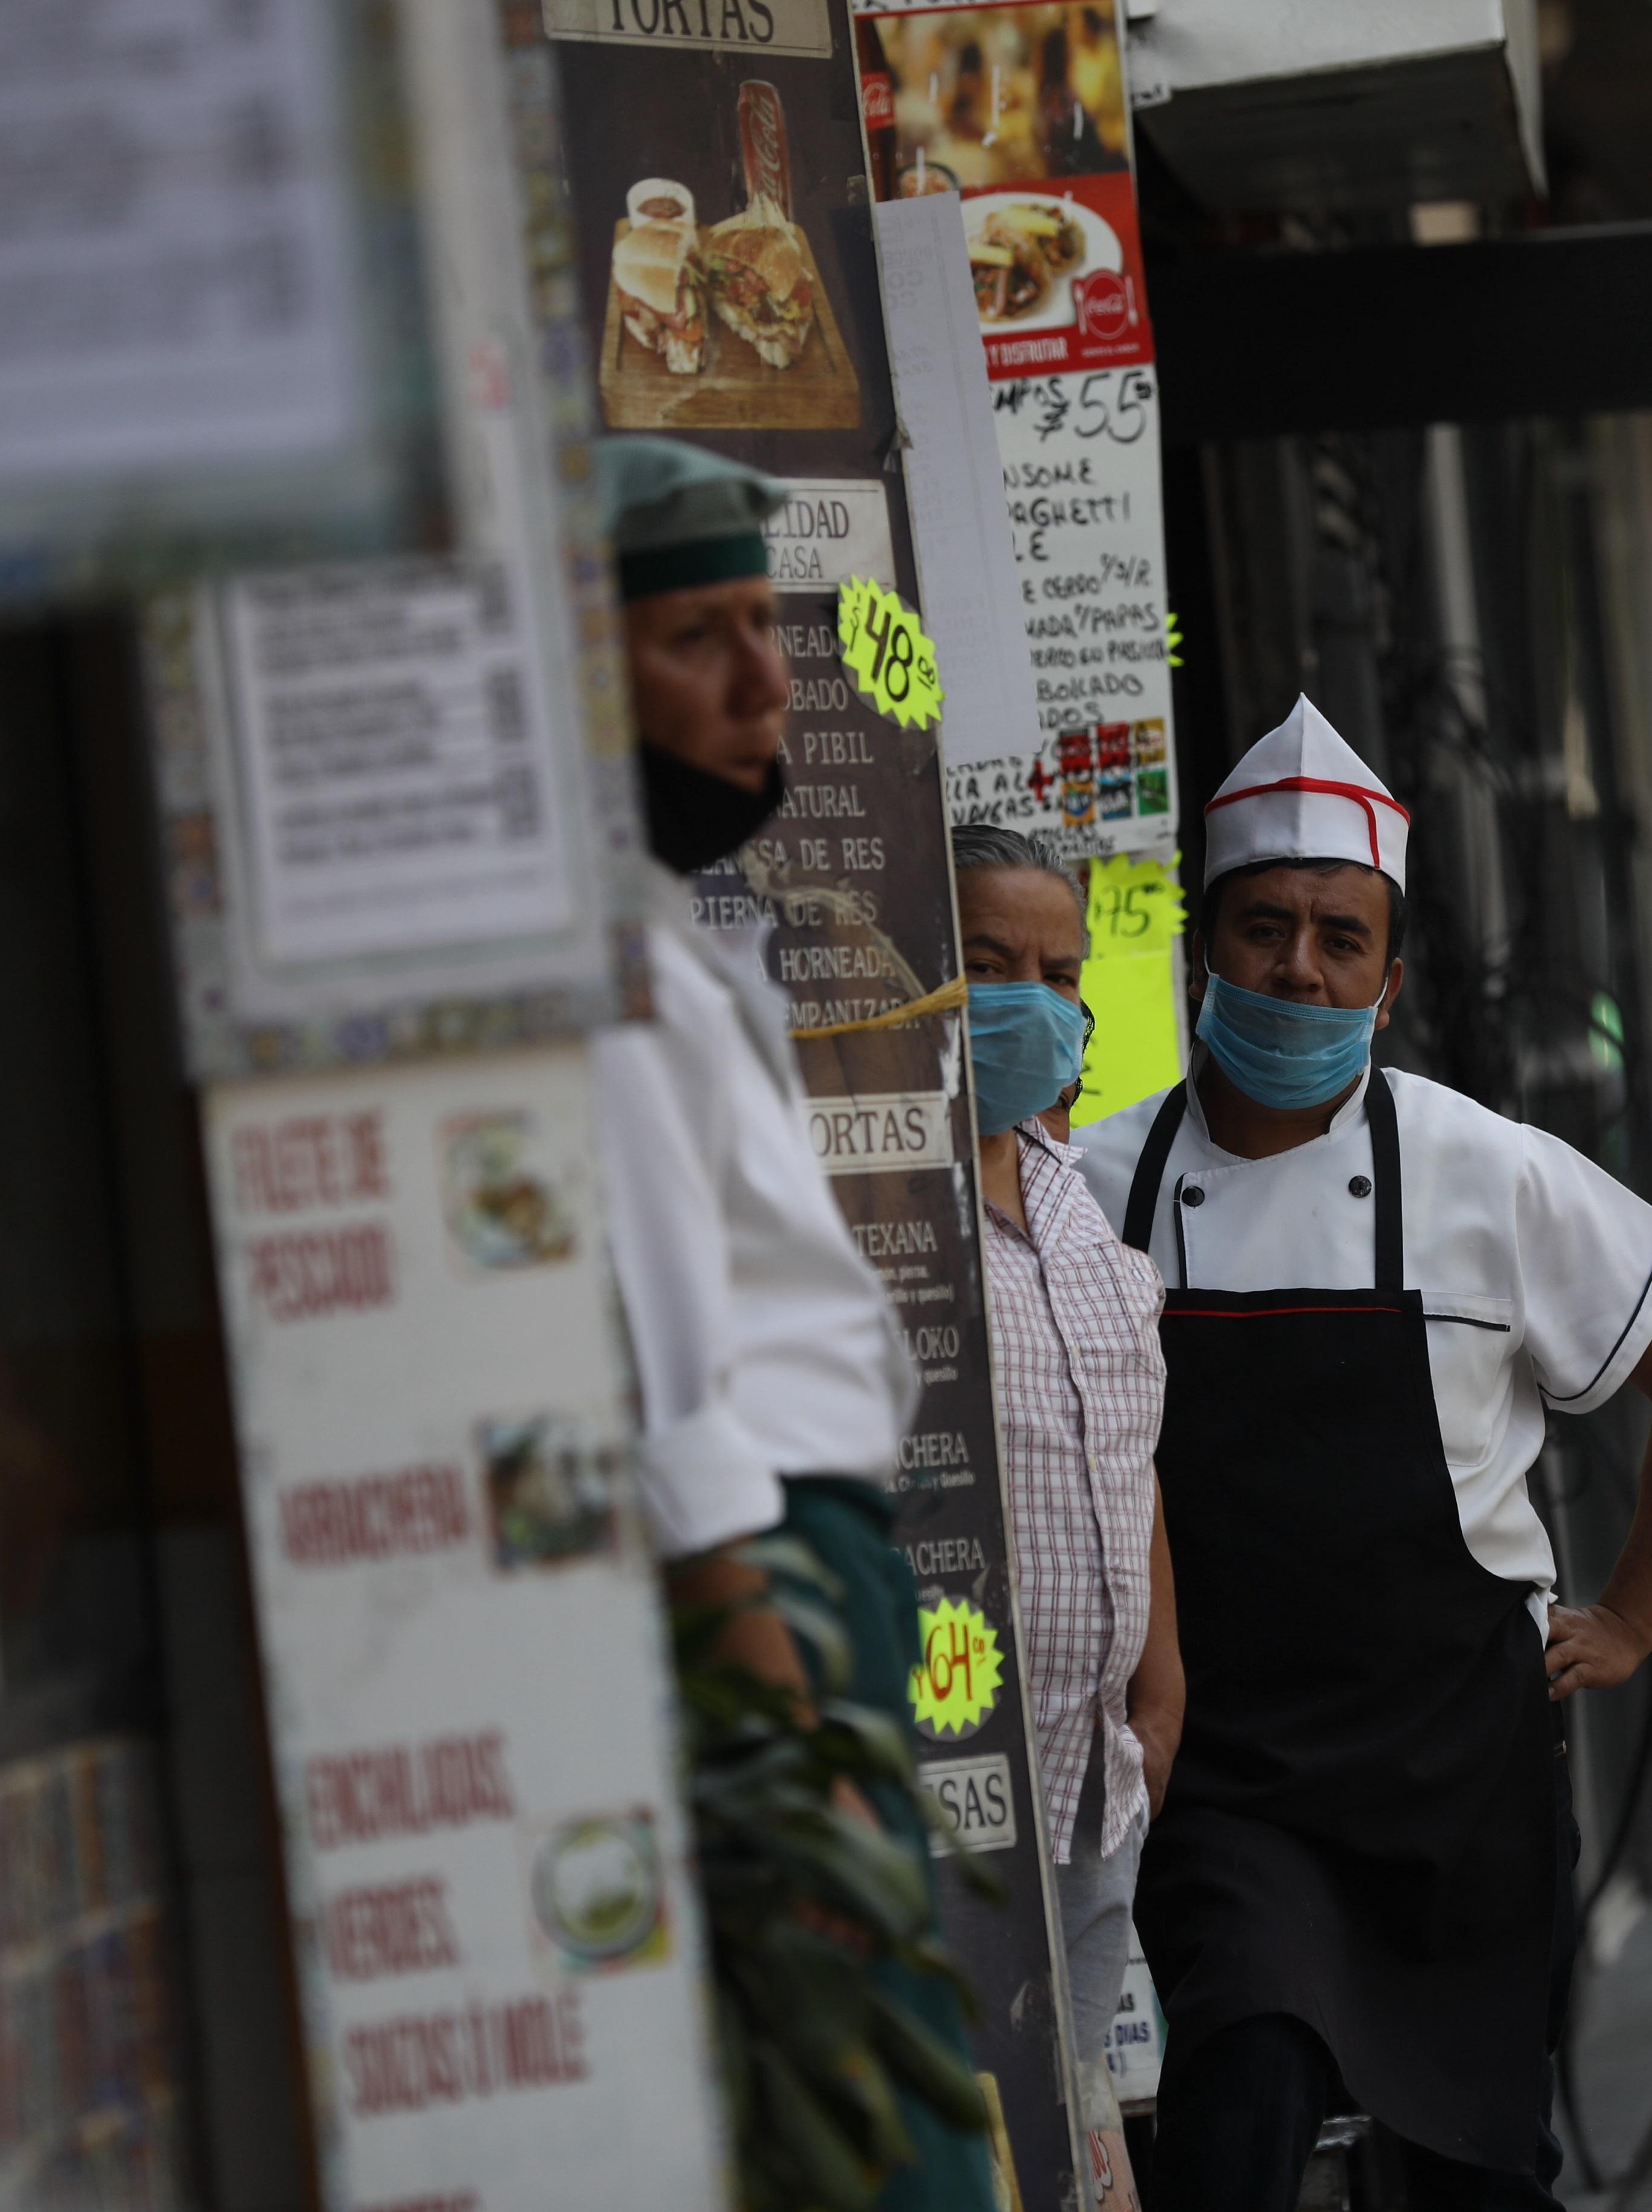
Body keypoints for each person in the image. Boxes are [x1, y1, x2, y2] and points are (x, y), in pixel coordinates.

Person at [1067, 698, 1652, 2212]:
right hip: (1227, 1768)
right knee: (1243, 2081)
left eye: (1338, 936)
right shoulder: (1096, 1185)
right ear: (1203, 939)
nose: (1296, 968)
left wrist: (1632, 1617)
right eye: (1262, 927)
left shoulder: (1485, 1169)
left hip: (1457, 1772)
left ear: (1389, 977)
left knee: (1478, 2168)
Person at [582, 435, 992, 2209]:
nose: (766, 685)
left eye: (770, 626)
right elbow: (665, 1363)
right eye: (697, 638)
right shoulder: (592, 962)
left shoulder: (657, 930)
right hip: (770, 1580)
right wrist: (764, 1672)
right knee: (866, 2106)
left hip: (817, 1570)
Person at [951, 822, 1179, 2203]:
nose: (1034, 999)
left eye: (1059, 969)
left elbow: (1125, 1441)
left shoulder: (1071, 1195)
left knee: (1071, 2144)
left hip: (1100, 1792)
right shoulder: (881, 1213)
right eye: (988, 965)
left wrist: (1159, 1692)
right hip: (960, 1808)